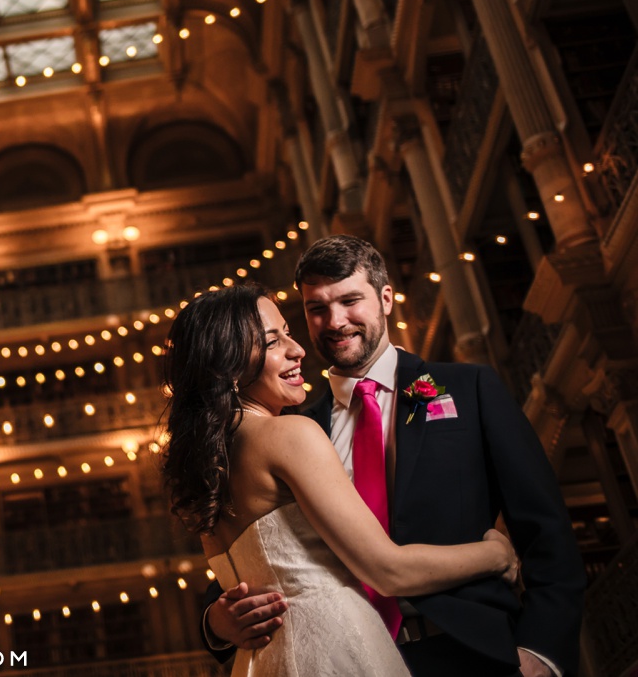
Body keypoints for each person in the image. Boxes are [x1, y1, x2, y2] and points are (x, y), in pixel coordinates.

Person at [200, 235, 586, 677]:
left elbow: (547, 532)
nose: (335, 321)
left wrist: (541, 653)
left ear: (385, 298)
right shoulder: (294, 431)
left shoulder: (471, 389)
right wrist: (216, 622)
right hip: (348, 659)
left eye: (350, 300)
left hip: (474, 654)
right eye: (317, 308)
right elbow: (268, 557)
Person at [163, 282, 519, 676]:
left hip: (265, 661)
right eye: (272, 342)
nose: (296, 349)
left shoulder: (207, 462)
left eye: (288, 332)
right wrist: (496, 554)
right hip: (335, 648)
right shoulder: (289, 435)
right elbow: (388, 570)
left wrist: (217, 622)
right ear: (227, 365)